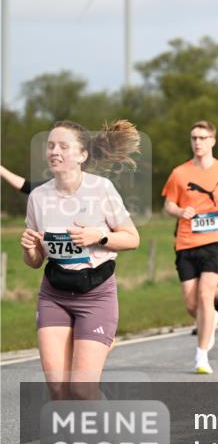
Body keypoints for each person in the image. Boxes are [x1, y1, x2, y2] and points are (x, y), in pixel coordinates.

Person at [20, 120, 141, 399]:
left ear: (82, 155)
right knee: (59, 390)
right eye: (50, 145)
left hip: (96, 295)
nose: (55, 151)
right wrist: (29, 249)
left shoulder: (102, 189)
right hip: (54, 295)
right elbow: (36, 261)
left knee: (82, 390)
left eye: (63, 146)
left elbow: (132, 238)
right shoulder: (38, 197)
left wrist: (98, 236)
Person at [162, 121, 218, 374]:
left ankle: (201, 356)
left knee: (206, 294)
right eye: (194, 137)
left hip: (217, 240)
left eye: (202, 137)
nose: (197, 142)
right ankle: (212, 317)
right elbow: (168, 205)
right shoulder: (179, 173)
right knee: (191, 303)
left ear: (212, 141)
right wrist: (179, 211)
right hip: (186, 242)